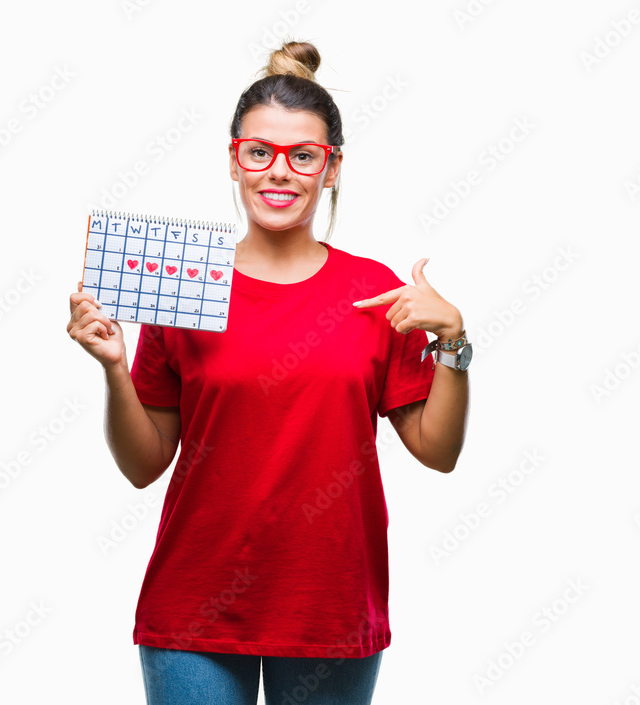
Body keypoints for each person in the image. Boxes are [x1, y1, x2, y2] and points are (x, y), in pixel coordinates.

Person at [66, 40, 471, 705]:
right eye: (260, 152)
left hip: (329, 604)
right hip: (192, 606)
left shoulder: (377, 293)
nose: (278, 173)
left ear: (331, 168)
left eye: (302, 156)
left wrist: (453, 339)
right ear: (235, 160)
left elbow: (439, 451)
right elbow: (143, 465)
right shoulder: (185, 287)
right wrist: (113, 368)